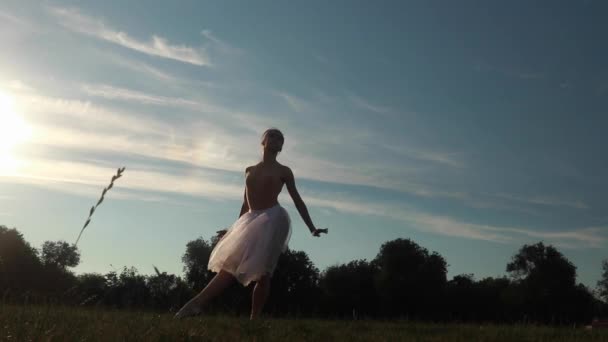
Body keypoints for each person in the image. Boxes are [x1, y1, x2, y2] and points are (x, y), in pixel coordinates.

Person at [175, 128, 328, 320]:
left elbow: (297, 200)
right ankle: (195, 305)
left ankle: (254, 319)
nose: (275, 139)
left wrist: (311, 227)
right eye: (271, 135)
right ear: (263, 141)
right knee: (229, 267)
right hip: (250, 220)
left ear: (281, 146)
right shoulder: (250, 170)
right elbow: (245, 203)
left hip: (273, 220)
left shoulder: (284, 171)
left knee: (264, 273)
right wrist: (234, 229)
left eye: (280, 138)